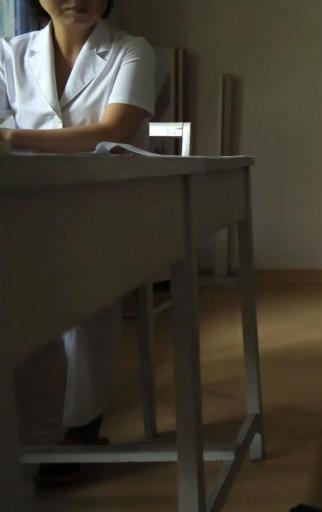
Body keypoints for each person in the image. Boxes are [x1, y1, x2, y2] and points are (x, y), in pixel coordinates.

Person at [0, 0, 154, 486]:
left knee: (90, 288)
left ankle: (80, 427)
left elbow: (113, 131)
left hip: (102, 205)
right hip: (25, 208)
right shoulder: (10, 52)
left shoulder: (132, 50)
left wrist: (12, 139)